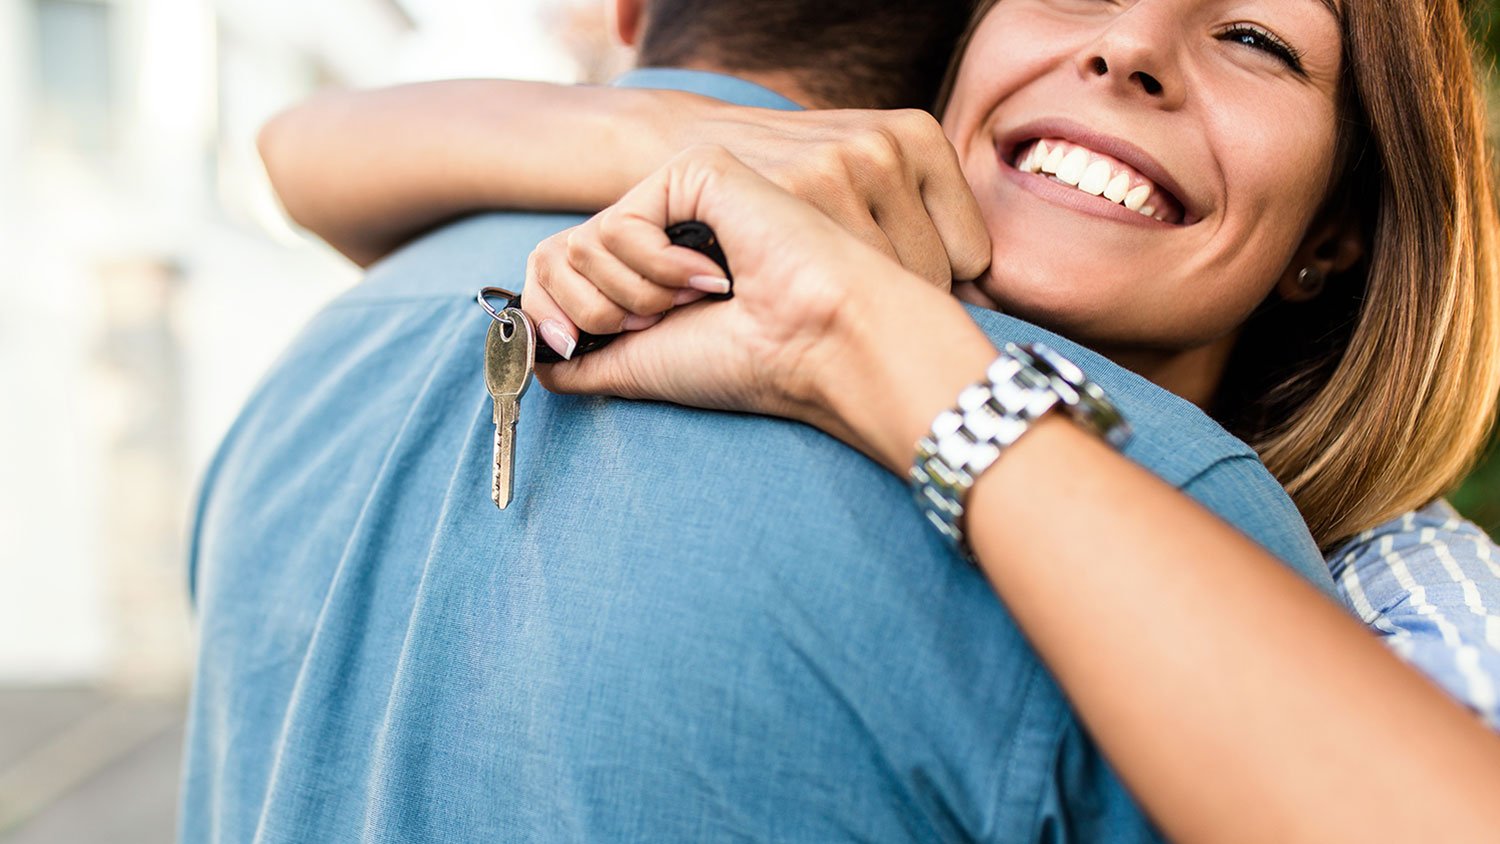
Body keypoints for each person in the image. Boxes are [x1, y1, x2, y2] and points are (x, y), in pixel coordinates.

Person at [257, 0, 1500, 838]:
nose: (1132, 47)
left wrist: (875, 352)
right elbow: (302, 151)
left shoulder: (1401, 584)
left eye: (1256, 36)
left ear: (1334, 236)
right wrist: (694, 140)